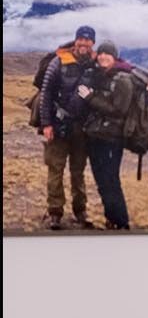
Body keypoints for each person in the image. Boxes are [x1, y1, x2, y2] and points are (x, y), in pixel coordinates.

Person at [34, 25, 96, 230]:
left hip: (82, 129)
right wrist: (46, 124)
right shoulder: (58, 62)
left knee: (78, 171)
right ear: (75, 40)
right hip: (58, 126)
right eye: (81, 39)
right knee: (55, 169)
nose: (84, 43)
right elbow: (46, 94)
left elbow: (121, 66)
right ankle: (55, 213)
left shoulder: (96, 64)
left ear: (92, 43)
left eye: (88, 40)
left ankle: (80, 210)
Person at [74, 40, 139, 231]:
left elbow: (118, 110)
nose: (103, 57)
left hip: (112, 139)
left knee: (111, 180)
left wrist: (91, 98)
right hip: (96, 138)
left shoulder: (123, 79)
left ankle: (121, 222)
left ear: (114, 57)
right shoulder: (103, 75)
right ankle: (111, 218)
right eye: (100, 53)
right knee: (101, 181)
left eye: (107, 54)